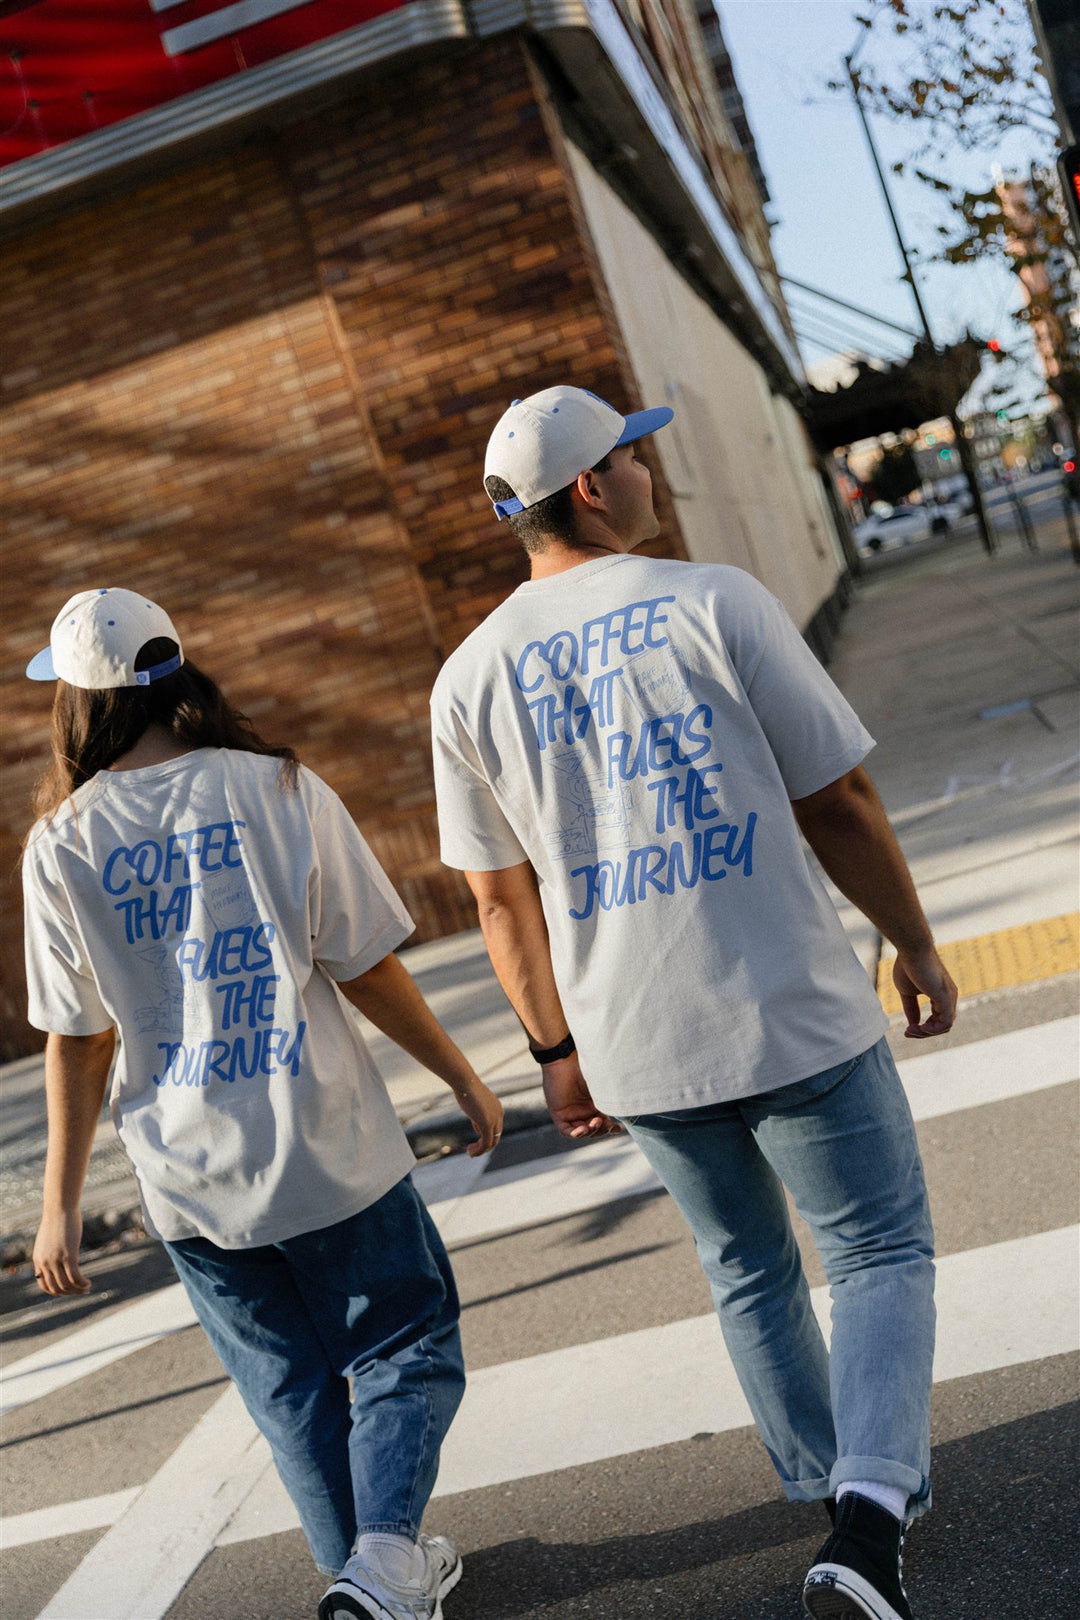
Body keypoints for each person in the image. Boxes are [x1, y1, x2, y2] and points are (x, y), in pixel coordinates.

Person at [429, 386, 958, 1620]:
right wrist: (914, 943)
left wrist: (553, 1048)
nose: (648, 469)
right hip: (788, 1003)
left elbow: (498, 899)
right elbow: (839, 801)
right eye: (632, 453)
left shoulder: (467, 679)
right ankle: (871, 1518)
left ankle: (830, 1492)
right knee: (877, 1250)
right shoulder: (714, 601)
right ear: (589, 488)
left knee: (747, 1271)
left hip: (633, 1039)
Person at [23, 587, 502, 1620]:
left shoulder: (61, 842)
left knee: (290, 1394)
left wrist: (57, 1205)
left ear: (76, 702)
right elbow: (364, 964)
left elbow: (77, 1039)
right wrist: (461, 1077)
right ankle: (384, 1561)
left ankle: (364, 1581)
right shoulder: (276, 787)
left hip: (188, 1178)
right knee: (406, 1346)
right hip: (328, 1147)